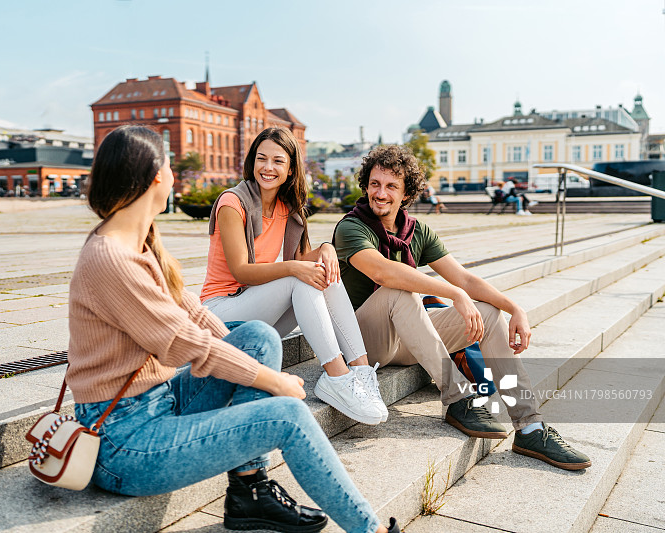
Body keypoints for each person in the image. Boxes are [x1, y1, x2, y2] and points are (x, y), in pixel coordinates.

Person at [68, 125, 403, 533]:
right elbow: (185, 343)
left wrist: (246, 361)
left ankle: (249, 493)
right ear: (158, 177)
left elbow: (194, 314)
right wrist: (270, 381)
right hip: (123, 444)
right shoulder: (112, 258)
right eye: (172, 167)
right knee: (289, 415)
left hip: (158, 405)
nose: (175, 175)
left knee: (259, 338)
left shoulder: (138, 243)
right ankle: (371, 530)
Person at [333, 144, 591, 471]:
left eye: (390, 186)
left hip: (406, 337)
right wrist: (453, 294)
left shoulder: (417, 231)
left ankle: (529, 426)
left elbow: (465, 279)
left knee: (489, 312)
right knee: (400, 290)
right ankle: (458, 398)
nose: (380, 193)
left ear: (406, 193)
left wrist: (516, 308)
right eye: (374, 184)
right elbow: (382, 272)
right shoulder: (351, 226)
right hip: (364, 341)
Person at [201, 127, 388, 426]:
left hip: (255, 311)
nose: (268, 167)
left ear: (290, 169)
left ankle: (362, 372)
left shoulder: (289, 207)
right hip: (219, 313)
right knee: (299, 277)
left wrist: (326, 249)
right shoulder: (232, 203)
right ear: (252, 162)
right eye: (261, 159)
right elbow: (241, 271)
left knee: (323, 273)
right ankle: (337, 378)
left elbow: (302, 259)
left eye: (277, 161)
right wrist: (293, 268)